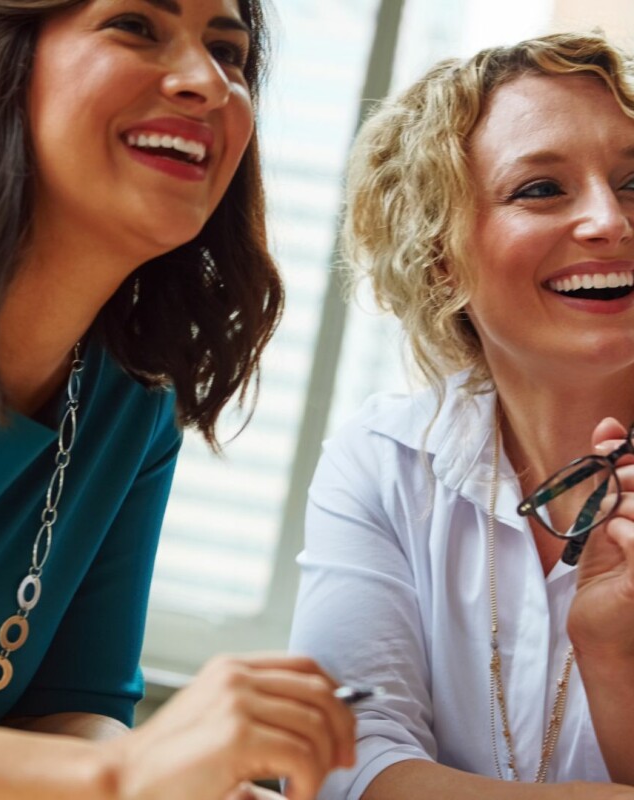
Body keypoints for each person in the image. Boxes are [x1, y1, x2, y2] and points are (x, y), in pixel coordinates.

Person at [0, 1, 357, 797]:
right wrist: (117, 776)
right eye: (136, 26)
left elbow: (73, 708)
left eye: (229, 51)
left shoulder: (133, 411)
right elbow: (97, 766)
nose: (207, 83)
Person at [288, 30, 634, 799]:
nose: (610, 221)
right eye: (541, 188)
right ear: (439, 254)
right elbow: (342, 757)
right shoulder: (383, 460)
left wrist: (614, 663)